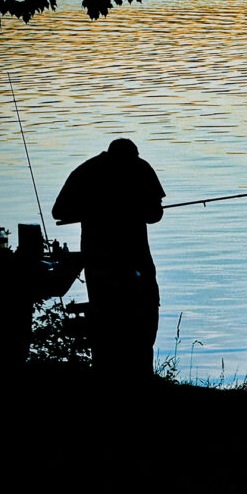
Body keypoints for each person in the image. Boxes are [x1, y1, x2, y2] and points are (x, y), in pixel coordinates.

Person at [52, 138, 165, 380]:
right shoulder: (139, 168)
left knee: (108, 320)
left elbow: (59, 211)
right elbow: (156, 214)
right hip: (130, 260)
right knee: (139, 318)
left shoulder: (86, 171)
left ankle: (111, 376)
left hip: (102, 263)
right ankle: (133, 377)